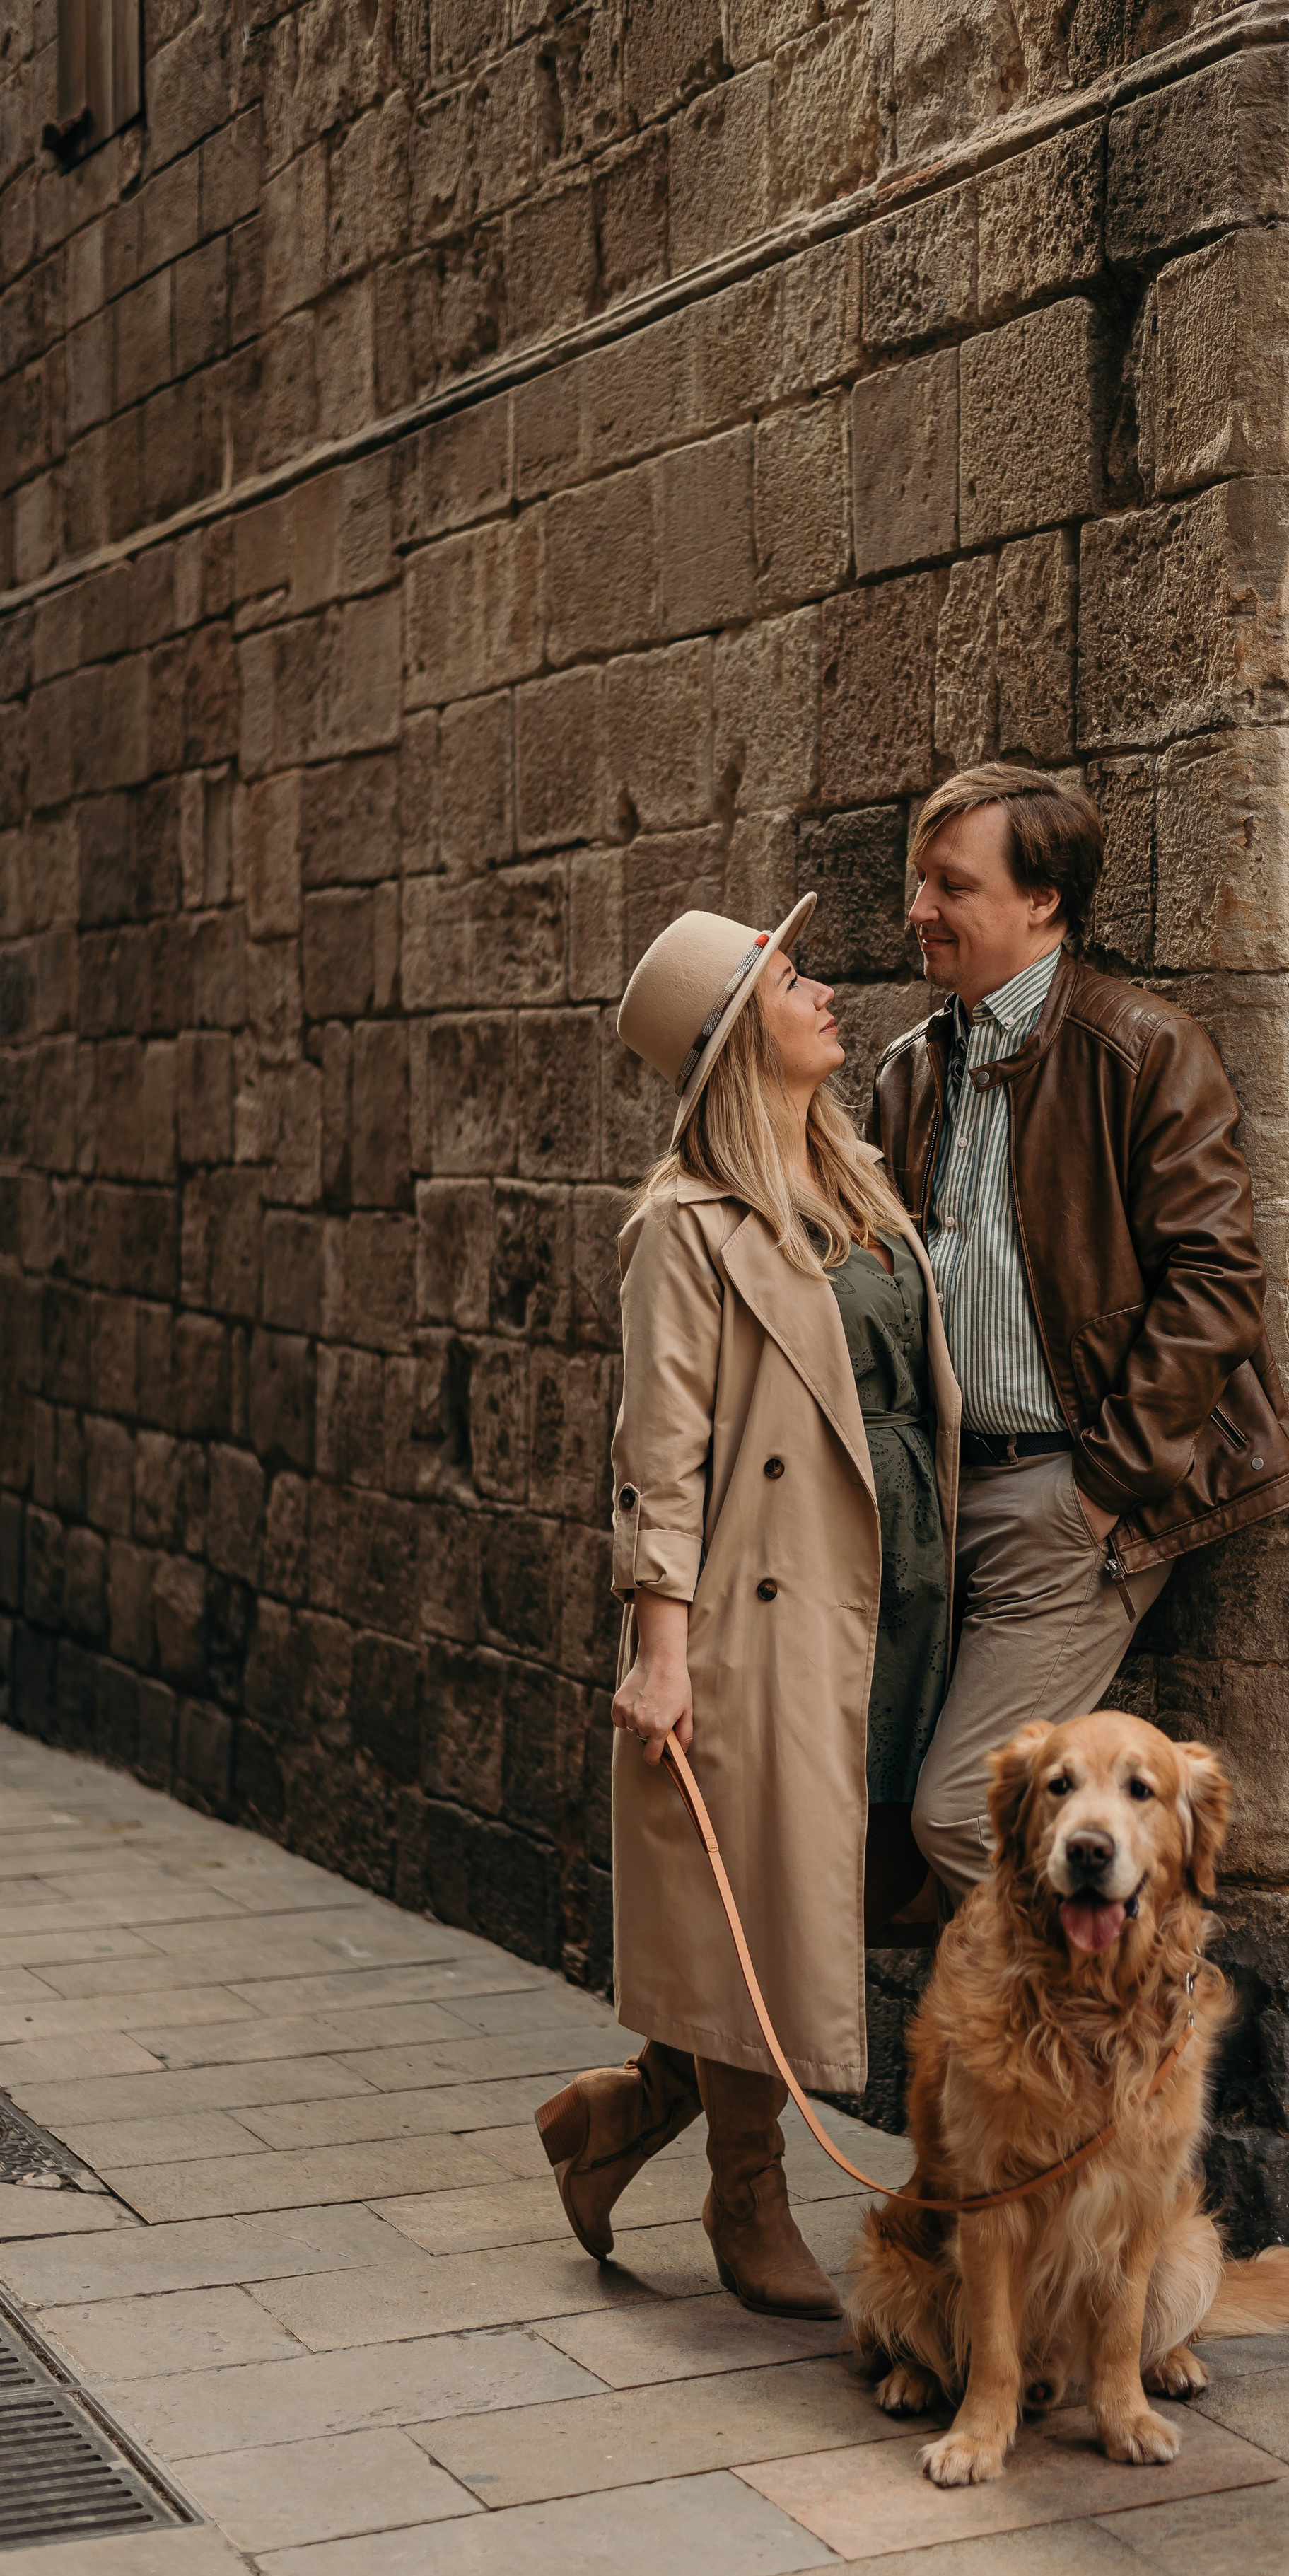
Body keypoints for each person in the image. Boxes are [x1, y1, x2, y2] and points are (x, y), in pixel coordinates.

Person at [537, 898, 960, 2318]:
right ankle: (745, 2191)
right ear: (733, 1042)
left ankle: (619, 2119)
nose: (825, 990)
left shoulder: (857, 1182)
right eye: (790, 978)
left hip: (891, 1597)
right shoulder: (687, 1226)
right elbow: (656, 1454)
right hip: (760, 1612)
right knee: (768, 1903)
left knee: (830, 1889)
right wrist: (661, 1653)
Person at [868, 762, 1289, 1899]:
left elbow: (1216, 1281)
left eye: (950, 886)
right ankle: (1018, 2061)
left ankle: (1107, 2049)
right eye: (921, 881)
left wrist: (1107, 1484)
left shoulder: (1140, 1049)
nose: (920, 911)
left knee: (965, 1819)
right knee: (871, 1816)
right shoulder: (912, 1069)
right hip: (937, 1503)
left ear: (1044, 901)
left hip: (1071, 1499)